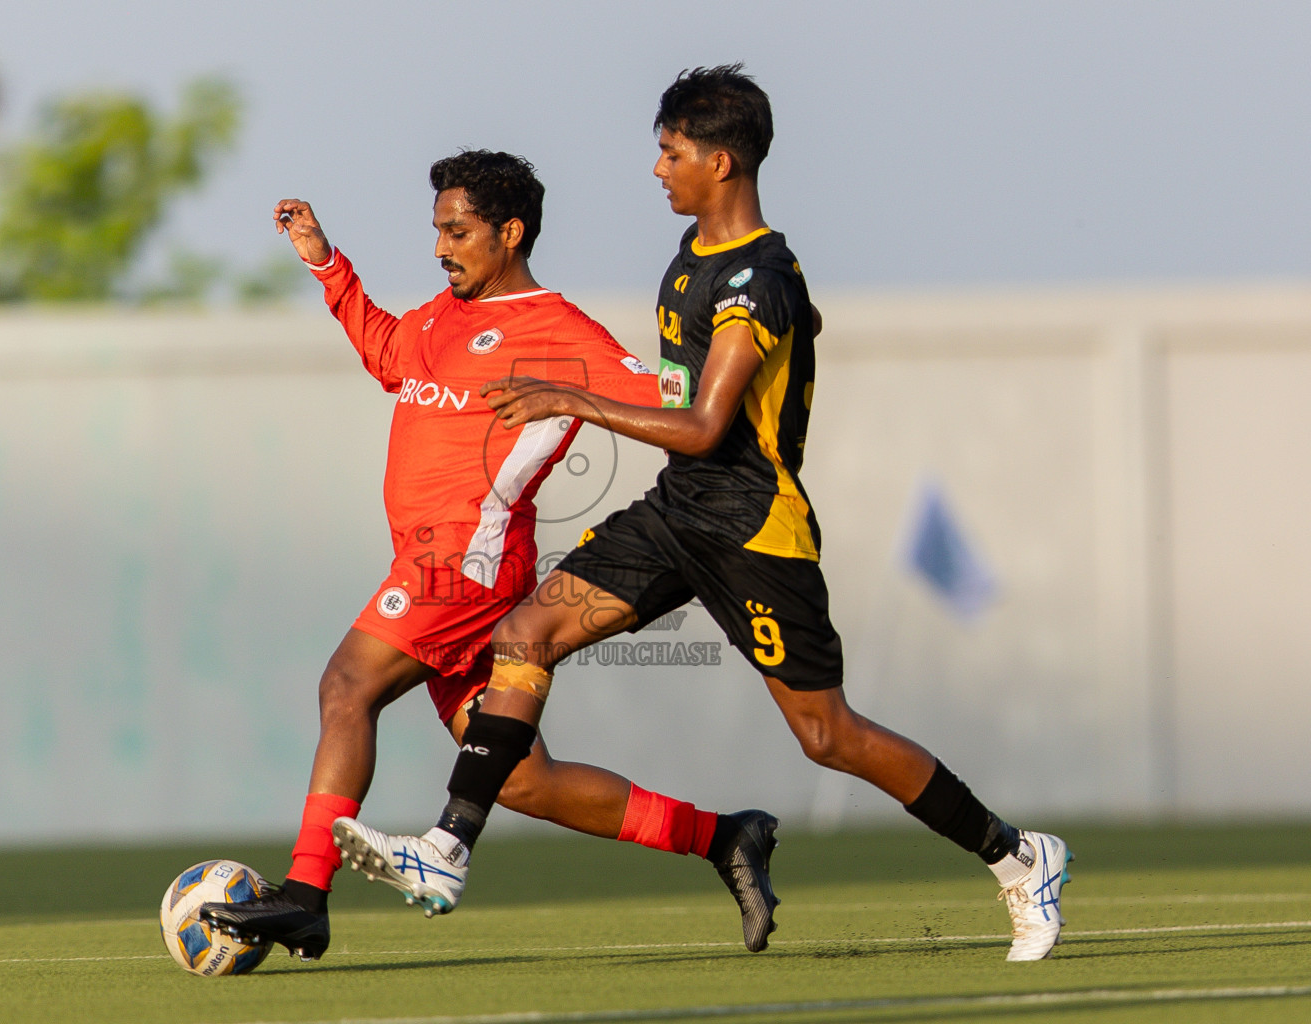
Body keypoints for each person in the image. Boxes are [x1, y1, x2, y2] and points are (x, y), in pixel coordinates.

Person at [334, 69, 1072, 963]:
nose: (658, 168)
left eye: (671, 152)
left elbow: (704, 426)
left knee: (828, 735)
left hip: (754, 529)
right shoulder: (694, 256)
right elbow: (726, 370)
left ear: (720, 162)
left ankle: (1019, 856)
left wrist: (569, 396)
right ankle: (447, 850)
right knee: (524, 634)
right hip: (677, 513)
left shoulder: (760, 277)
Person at [198, 150, 783, 961]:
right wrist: (328, 266)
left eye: (458, 231)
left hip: (463, 569)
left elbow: (670, 398)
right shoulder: (439, 317)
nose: (441, 247)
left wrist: (748, 357)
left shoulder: (560, 329)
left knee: (346, 685)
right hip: (433, 565)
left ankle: (306, 895)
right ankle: (724, 837)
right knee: (521, 780)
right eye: (438, 230)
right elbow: (387, 354)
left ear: (509, 233)